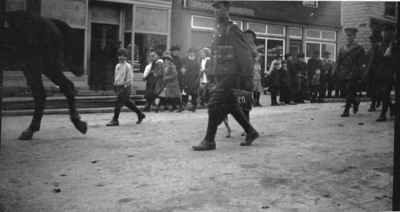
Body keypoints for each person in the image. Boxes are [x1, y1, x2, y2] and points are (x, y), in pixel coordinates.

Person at [192, 1, 259, 151]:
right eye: (214, 8)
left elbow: (244, 55)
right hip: (222, 75)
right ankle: (251, 132)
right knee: (231, 105)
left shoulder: (232, 29)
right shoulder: (219, 29)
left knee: (213, 104)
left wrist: (245, 78)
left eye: (219, 7)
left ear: (227, 9)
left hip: (231, 75)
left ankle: (209, 140)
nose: (216, 11)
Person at [106, 48, 145, 126]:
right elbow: (116, 76)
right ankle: (140, 114)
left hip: (125, 87)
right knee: (128, 103)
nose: (121, 57)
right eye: (120, 56)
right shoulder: (117, 65)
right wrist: (115, 84)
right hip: (118, 87)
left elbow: (130, 78)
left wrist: (125, 86)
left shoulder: (128, 66)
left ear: (126, 57)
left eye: (123, 56)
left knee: (118, 103)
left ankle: (115, 120)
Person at [336, 27, 366, 117]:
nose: (349, 37)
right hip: (343, 73)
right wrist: (336, 71)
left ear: (354, 36)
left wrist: (360, 74)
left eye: (351, 36)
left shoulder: (359, 48)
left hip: (354, 73)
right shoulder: (342, 48)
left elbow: (362, 63)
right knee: (345, 91)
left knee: (349, 90)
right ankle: (355, 101)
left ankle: (346, 110)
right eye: (348, 36)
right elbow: (339, 61)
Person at [376, 25, 396, 122]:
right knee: (382, 93)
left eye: (386, 32)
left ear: (391, 33)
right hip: (381, 72)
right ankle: (392, 108)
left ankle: (383, 114)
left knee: (385, 93)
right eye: (383, 32)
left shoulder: (394, 45)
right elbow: (376, 59)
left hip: (391, 72)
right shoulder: (380, 45)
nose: (384, 34)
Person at [365, 31, 383, 112]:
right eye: (371, 41)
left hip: (378, 72)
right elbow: (366, 60)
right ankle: (376, 101)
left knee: (378, 89)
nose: (372, 43)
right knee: (372, 89)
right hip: (371, 72)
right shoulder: (370, 49)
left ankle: (373, 104)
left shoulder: (379, 49)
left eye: (374, 41)